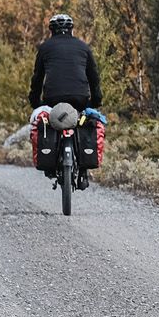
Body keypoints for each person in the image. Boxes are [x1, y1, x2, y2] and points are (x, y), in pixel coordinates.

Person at [28, 14, 103, 187]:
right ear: (71, 29)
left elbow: (37, 79)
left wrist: (35, 102)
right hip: (80, 98)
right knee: (83, 122)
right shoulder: (83, 47)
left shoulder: (45, 48)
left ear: (51, 30)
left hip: (52, 99)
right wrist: (96, 100)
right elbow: (94, 78)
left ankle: (51, 164)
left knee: (49, 122)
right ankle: (83, 168)